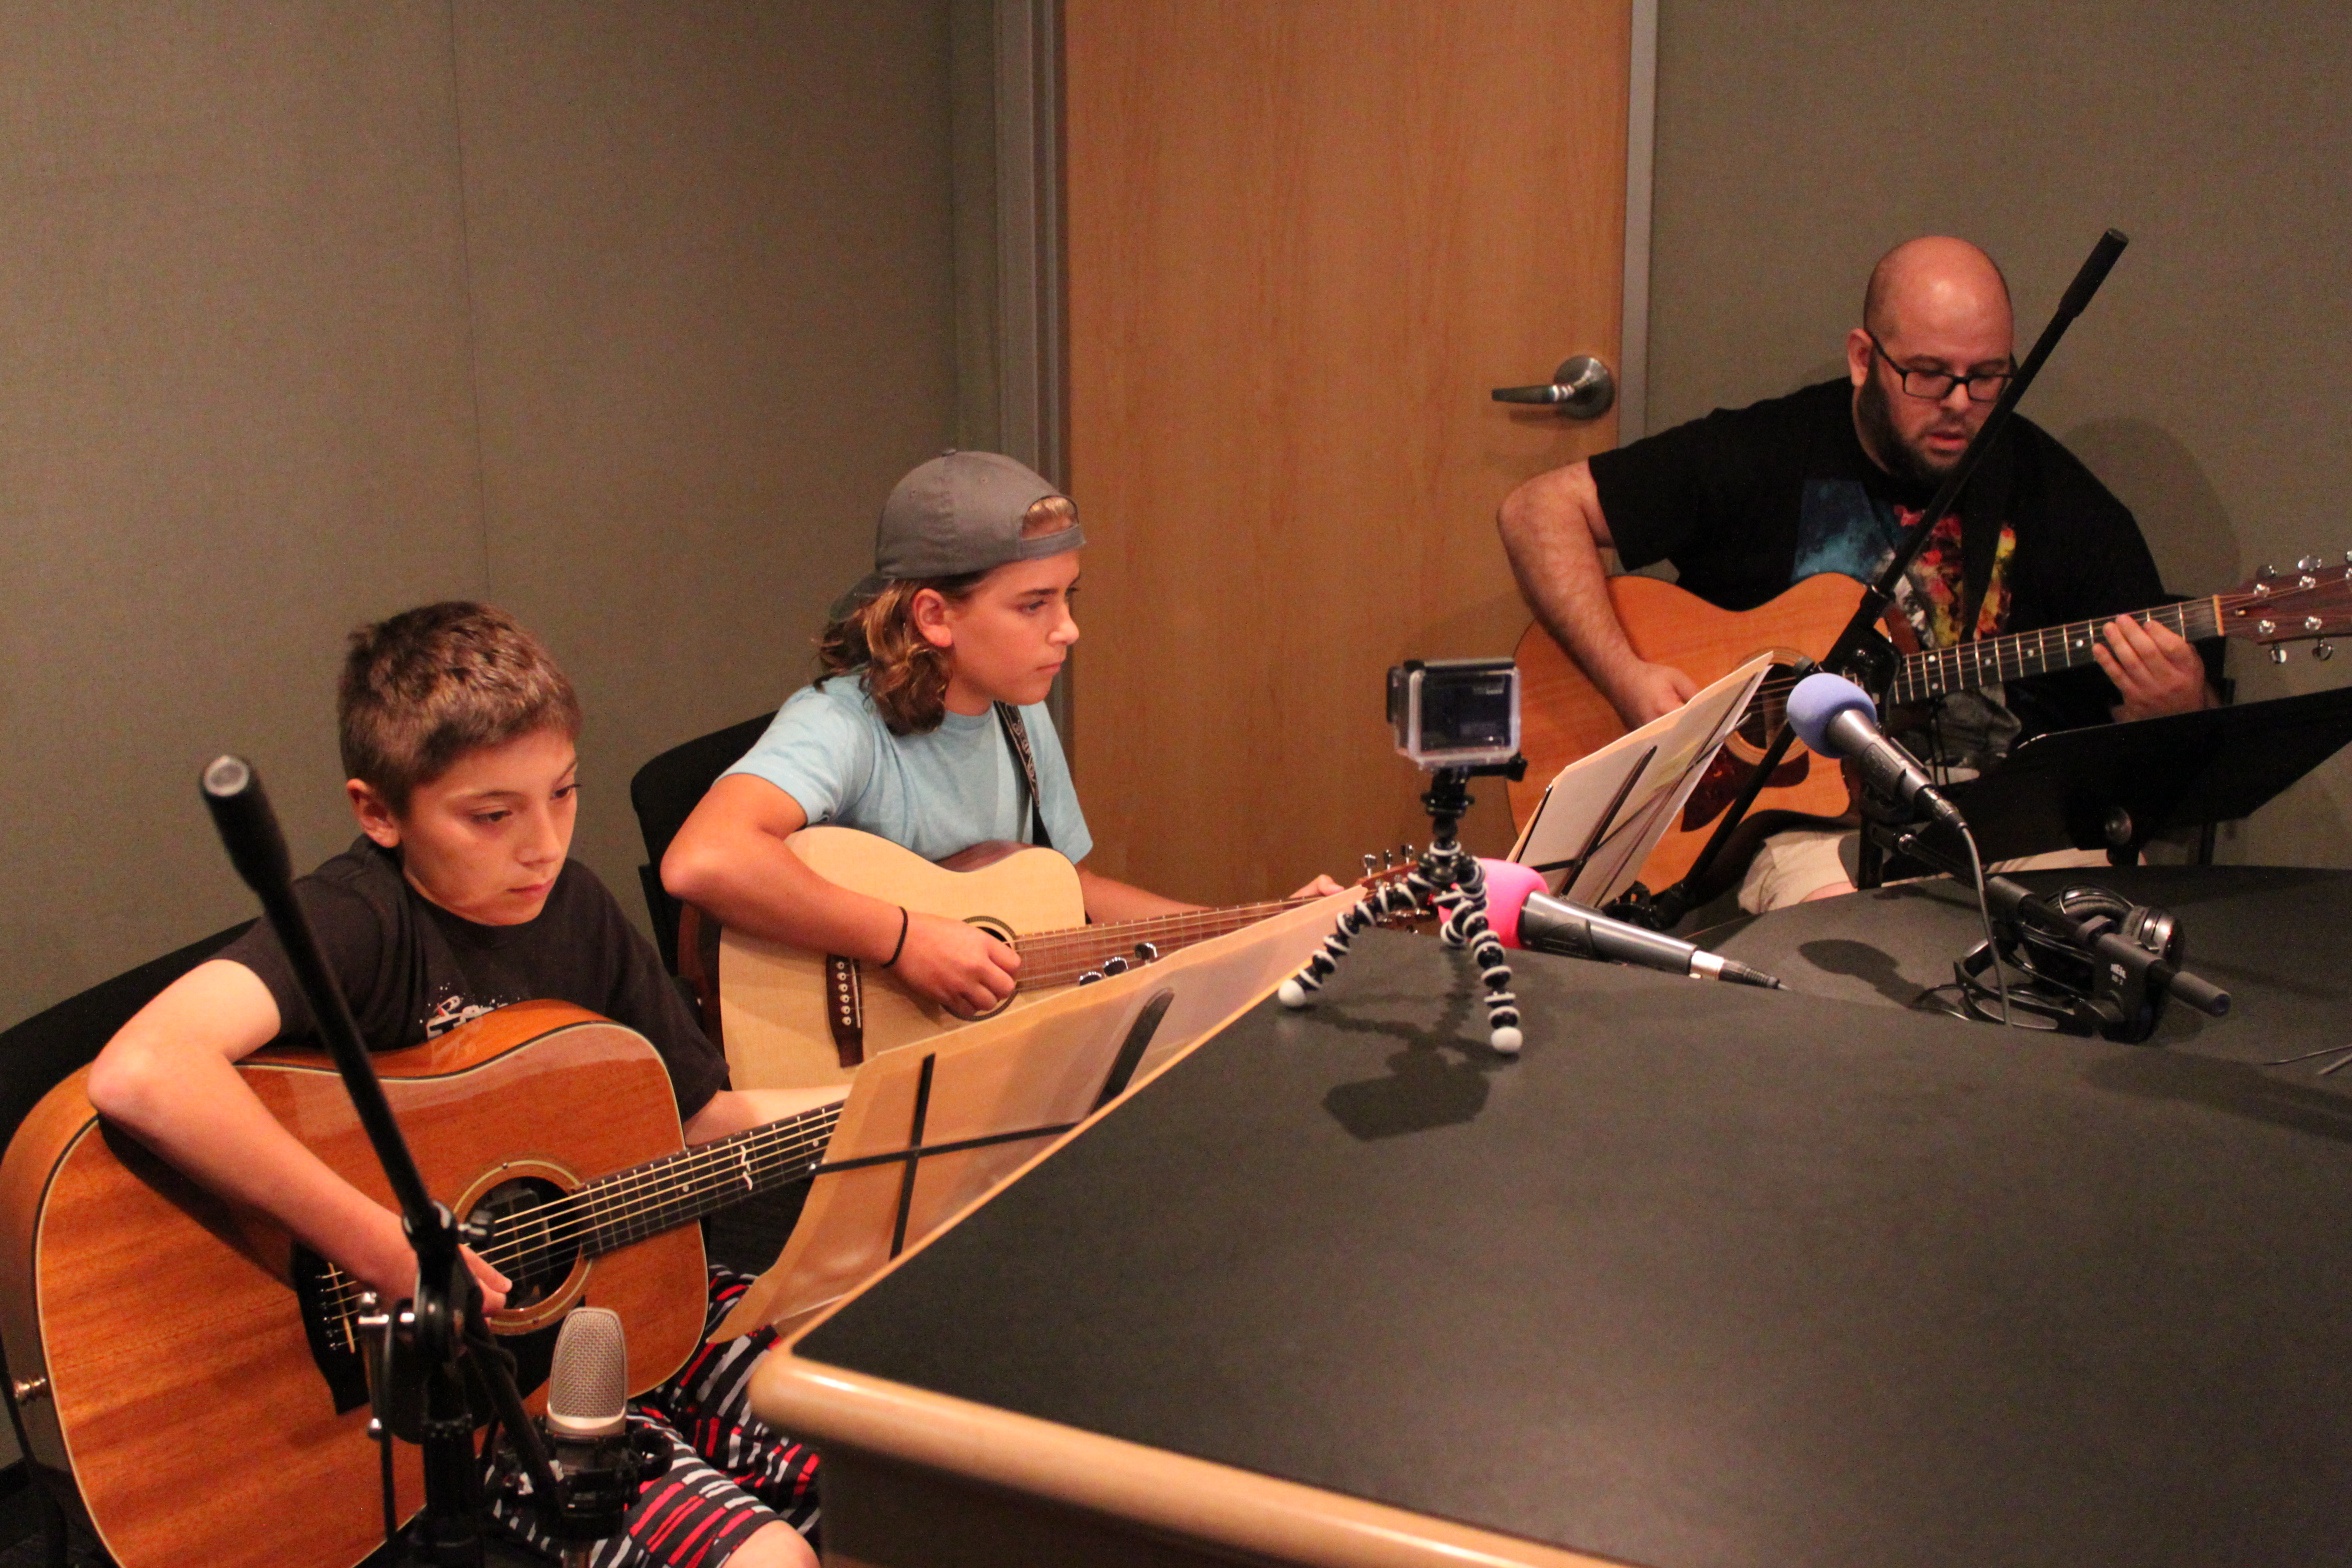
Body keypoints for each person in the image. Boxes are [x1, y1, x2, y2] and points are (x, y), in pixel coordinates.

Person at [87, 604, 829, 1568]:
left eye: (562, 795)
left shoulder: (576, 909)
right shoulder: (359, 920)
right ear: (379, 811)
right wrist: (391, 1249)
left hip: (631, 1305)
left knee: (899, 1441)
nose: (543, 843)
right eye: (491, 815)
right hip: (464, 1398)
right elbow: (145, 1071)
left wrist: (916, 1100)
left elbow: (708, 1121)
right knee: (767, 1561)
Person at [1497, 235, 2217, 910]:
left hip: (2013, 830)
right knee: (1851, 952)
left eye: (1988, 377)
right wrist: (1626, 675)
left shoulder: (2061, 498)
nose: (1960, 404)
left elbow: (2157, 762)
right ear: (1863, 358)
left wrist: (2177, 709)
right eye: (1929, 375)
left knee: (2118, 934)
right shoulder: (1768, 451)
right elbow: (1538, 512)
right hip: (1813, 836)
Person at [663, 450, 1337, 1014]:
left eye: (1067, 596)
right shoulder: (842, 724)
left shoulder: (1017, 713)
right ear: (934, 615)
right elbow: (704, 858)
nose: (1066, 629)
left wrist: (1253, 928)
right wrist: (903, 939)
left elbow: (1072, 893)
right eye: (1033, 604)